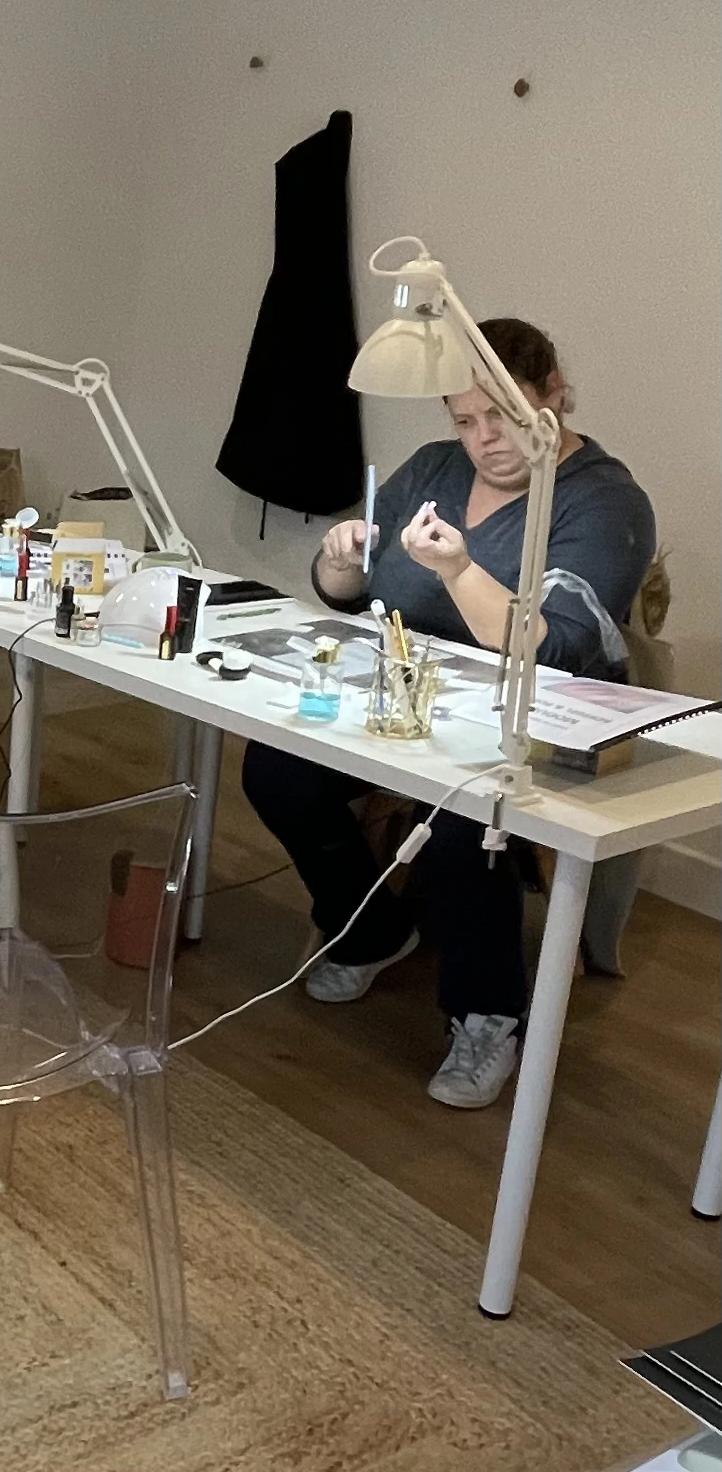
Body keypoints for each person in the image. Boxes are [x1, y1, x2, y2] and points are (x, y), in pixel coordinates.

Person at [241, 316, 655, 1111]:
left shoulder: (603, 502)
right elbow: (355, 594)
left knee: (465, 823)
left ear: (553, 394)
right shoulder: (433, 467)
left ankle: (486, 1011)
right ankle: (366, 929)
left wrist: (461, 568)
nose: (483, 438)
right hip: (408, 698)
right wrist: (334, 563)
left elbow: (555, 644)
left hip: (535, 722)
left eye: (501, 413)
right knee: (277, 770)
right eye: (464, 420)